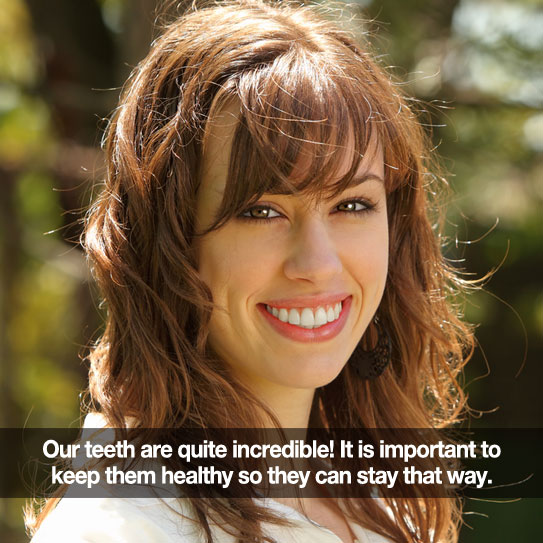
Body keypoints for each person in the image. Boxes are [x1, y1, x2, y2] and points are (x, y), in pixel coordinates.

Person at [27, 1, 474, 542]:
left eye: (353, 205)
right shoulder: (123, 528)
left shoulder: (378, 496)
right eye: (260, 211)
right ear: (167, 242)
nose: (319, 264)